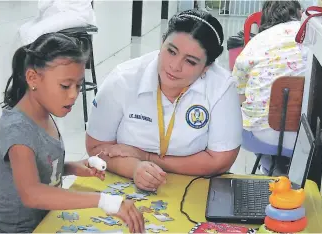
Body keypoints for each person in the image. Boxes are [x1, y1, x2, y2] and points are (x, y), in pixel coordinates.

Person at [0, 33, 144, 233]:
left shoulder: (43, 112)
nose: (73, 95)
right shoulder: (17, 131)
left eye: (78, 86)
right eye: (65, 86)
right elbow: (32, 193)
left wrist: (72, 167)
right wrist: (105, 201)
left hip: (49, 223)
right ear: (32, 78)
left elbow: (39, 166)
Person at [86, 9, 243, 192]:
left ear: (207, 66)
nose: (174, 66)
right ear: (161, 42)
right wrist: (135, 168)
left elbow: (220, 162)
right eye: (171, 51)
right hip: (124, 183)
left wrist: (146, 157)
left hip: (197, 188)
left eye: (190, 61)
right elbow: (96, 146)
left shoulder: (222, 88)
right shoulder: (124, 79)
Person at [232, 1, 308, 175]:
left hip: (260, 136)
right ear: (299, 12)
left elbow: (237, 95)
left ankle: (270, 168)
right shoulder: (313, 37)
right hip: (306, 140)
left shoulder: (257, 42)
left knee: (244, 116)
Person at [19, 0, 96, 46]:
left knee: (33, 32)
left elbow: (43, 6)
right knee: (23, 29)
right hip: (61, 13)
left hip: (75, 13)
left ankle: (35, 69)